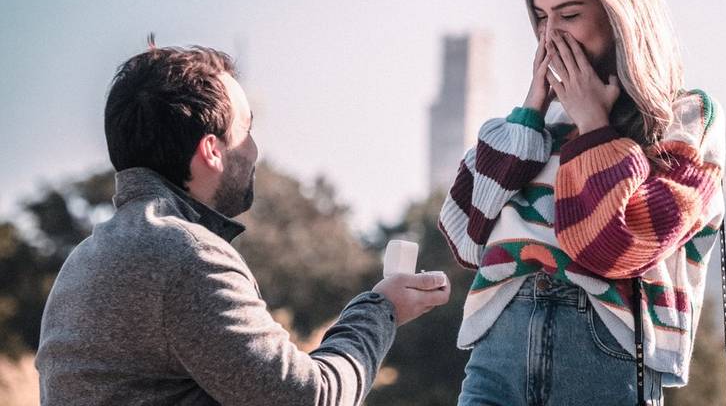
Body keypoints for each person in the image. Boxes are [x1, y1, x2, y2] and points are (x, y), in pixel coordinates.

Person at [36, 40, 451, 405]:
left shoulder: (84, 260)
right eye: (247, 129)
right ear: (212, 150)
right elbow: (309, 398)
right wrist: (381, 310)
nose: (256, 149)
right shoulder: (186, 255)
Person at [439, 0, 726, 406]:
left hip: (605, 355)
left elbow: (618, 247)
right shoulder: (531, 123)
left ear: (619, 15)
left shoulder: (684, 117)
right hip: (499, 347)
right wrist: (529, 113)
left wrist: (595, 127)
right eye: (540, 17)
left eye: (569, 14)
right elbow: (464, 236)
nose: (551, 36)